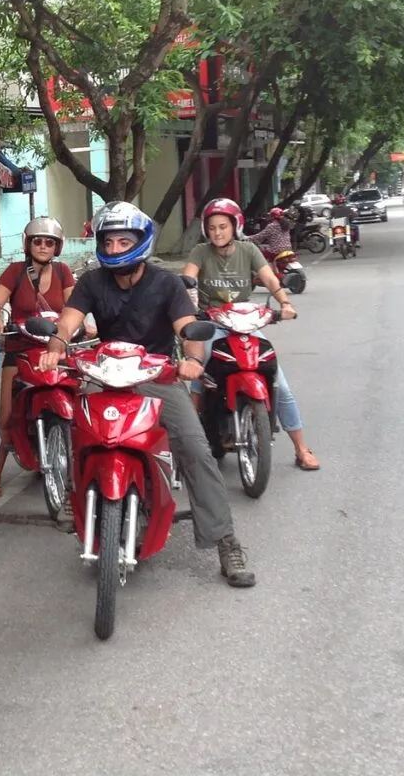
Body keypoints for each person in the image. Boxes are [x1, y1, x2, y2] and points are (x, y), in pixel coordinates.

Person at [39, 201, 256, 588]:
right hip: (105, 374)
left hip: (156, 375)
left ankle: (225, 539)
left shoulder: (167, 283)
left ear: (141, 243)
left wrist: (192, 360)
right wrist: (56, 345)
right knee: (79, 432)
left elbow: (187, 327)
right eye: (110, 241)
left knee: (194, 448)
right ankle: (79, 503)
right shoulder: (92, 281)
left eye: (125, 240)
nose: (117, 248)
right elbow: (71, 319)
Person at [182, 198, 318, 471]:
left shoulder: (249, 250)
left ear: (235, 226)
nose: (217, 233)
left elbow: (269, 278)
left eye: (223, 226)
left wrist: (285, 303)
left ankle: (301, 448)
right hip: (213, 324)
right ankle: (188, 448)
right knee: (198, 376)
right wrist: (189, 304)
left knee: (279, 381)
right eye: (212, 228)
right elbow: (188, 279)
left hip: (245, 323)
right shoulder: (200, 252)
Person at [0, 217, 75, 497]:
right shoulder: (14, 271)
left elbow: (76, 307)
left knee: (81, 397)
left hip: (55, 349)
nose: (43, 246)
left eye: (49, 242)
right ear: (28, 244)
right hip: (21, 346)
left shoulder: (63, 273)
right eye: (38, 241)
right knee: (6, 416)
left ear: (57, 247)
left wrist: (87, 324)